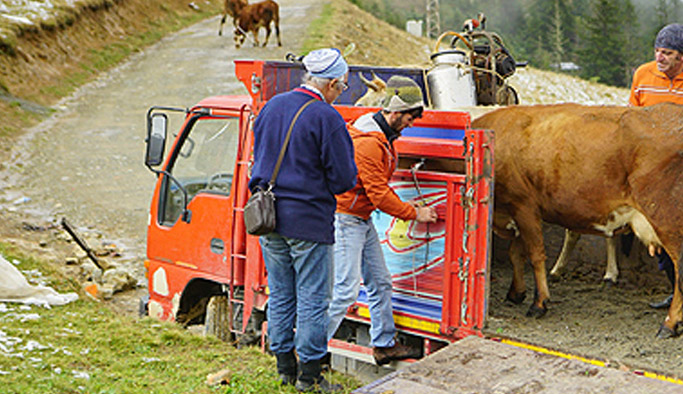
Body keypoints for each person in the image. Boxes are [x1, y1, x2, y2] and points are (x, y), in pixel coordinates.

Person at [248, 48, 357, 393]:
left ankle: (284, 369)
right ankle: (309, 376)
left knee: (280, 293)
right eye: (341, 87)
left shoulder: (270, 107)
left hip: (268, 218)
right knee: (312, 297)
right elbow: (343, 179)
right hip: (308, 221)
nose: (341, 93)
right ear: (332, 83)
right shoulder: (327, 117)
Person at [327, 76, 438, 366]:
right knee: (345, 291)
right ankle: (309, 350)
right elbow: (378, 194)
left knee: (380, 282)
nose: (412, 123)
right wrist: (415, 213)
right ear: (395, 111)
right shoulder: (369, 144)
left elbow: (377, 190)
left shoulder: (381, 135)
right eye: (410, 117)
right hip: (346, 219)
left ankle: (384, 344)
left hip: (360, 219)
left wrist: (404, 205)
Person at [628, 23, 683, 309]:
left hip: (681, 169)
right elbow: (632, 119)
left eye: (668, 53)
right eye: (657, 51)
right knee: (660, 235)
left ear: (681, 58)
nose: (660, 58)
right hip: (652, 170)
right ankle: (676, 292)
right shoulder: (643, 74)